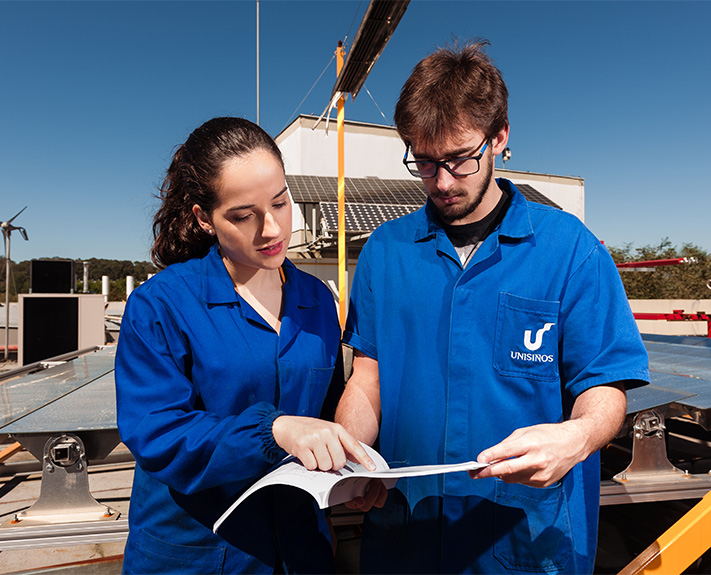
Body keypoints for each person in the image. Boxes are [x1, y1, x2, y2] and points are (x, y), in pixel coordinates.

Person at [335, 41, 650, 574]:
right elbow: (368, 376)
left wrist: (576, 437)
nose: (441, 181)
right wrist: (350, 459)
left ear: (500, 138)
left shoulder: (570, 251)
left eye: (458, 159)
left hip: (524, 539)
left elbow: (604, 385)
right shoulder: (385, 254)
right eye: (424, 161)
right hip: (409, 535)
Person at [114, 117, 374, 574]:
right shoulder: (162, 304)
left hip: (300, 551)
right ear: (204, 218)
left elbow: (329, 413)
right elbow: (156, 434)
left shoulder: (316, 300)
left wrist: (358, 468)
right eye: (243, 215)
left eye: (280, 202)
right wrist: (272, 431)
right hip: (199, 554)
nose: (272, 229)